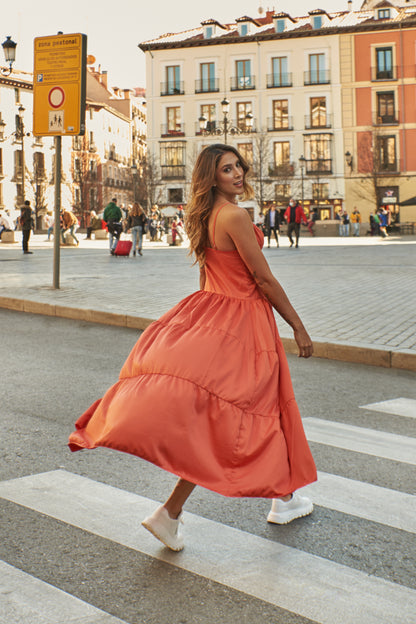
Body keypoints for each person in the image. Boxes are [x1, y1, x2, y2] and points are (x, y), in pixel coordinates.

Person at [68, 144, 316, 552]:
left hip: (217, 316)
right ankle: (175, 512)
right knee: (236, 417)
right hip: (246, 324)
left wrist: (203, 327)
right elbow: (264, 280)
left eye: (238, 166)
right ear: (211, 177)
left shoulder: (203, 215)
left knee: (249, 411)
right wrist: (299, 327)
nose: (237, 174)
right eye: (226, 169)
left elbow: (209, 277)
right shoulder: (235, 216)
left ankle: (282, 497)